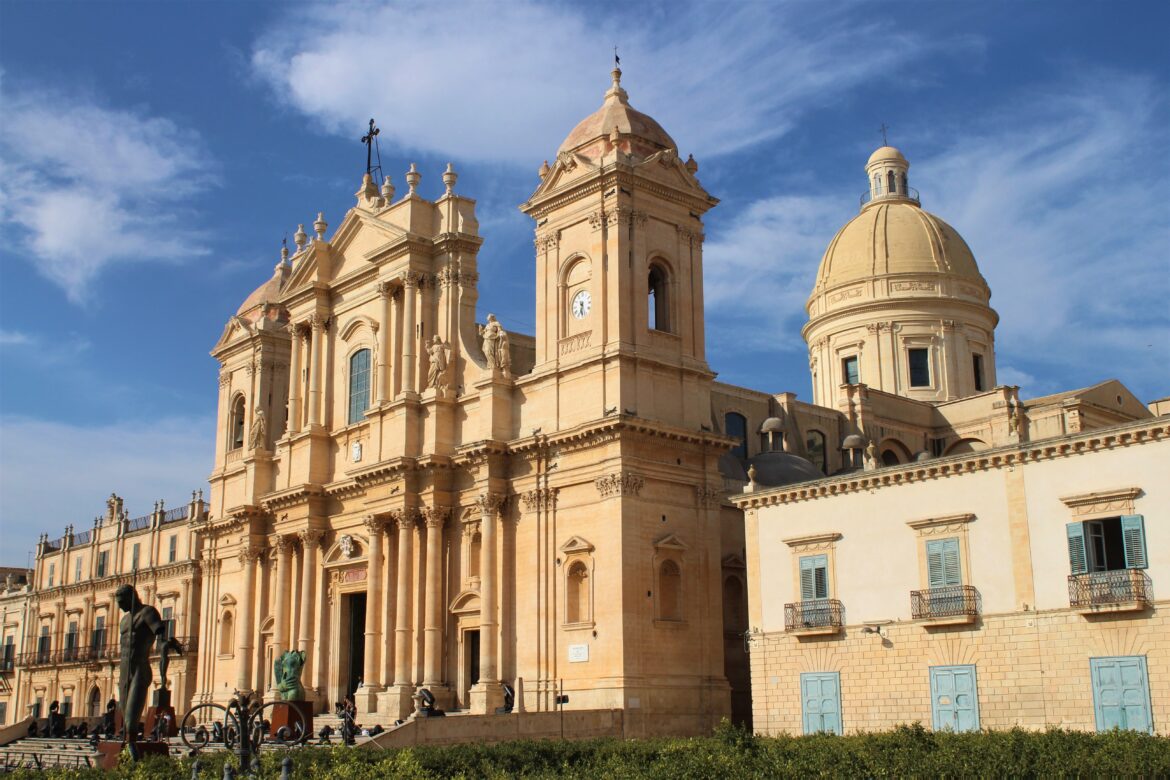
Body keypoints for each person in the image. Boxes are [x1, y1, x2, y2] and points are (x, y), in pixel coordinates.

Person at [115, 584, 183, 753]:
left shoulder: (148, 613)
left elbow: (160, 639)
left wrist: (168, 645)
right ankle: (129, 746)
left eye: (122, 601)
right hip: (124, 669)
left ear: (132, 597)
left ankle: (132, 748)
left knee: (131, 716)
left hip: (140, 667)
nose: (119, 606)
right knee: (124, 710)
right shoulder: (124, 620)